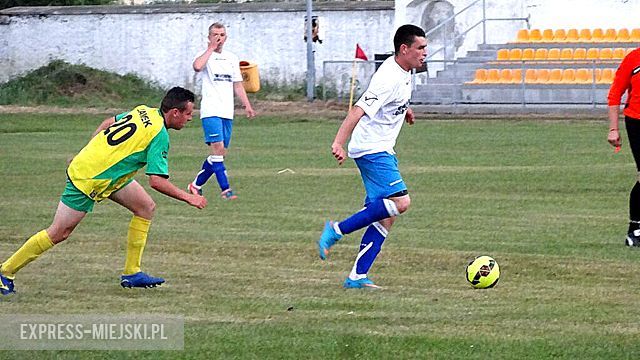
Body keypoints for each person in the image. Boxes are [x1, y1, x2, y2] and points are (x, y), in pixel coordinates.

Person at [0, 87, 207, 296]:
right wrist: (188, 197)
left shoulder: (145, 111)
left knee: (145, 207)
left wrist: (86, 153)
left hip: (109, 177)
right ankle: (5, 271)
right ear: (174, 112)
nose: (190, 118)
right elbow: (156, 181)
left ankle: (132, 273)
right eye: (189, 113)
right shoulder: (160, 135)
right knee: (59, 232)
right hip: (90, 179)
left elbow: (108, 123)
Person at [317, 24, 427, 289]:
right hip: (371, 149)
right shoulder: (387, 76)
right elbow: (357, 110)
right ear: (404, 49)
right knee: (401, 202)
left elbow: (393, 99)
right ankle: (336, 229)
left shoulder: (404, 71)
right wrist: (338, 142)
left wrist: (405, 110)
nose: (425, 53)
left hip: (381, 147)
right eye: (420, 48)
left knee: (385, 217)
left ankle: (356, 277)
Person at [188, 22, 256, 200]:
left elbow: (237, 84)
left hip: (227, 112)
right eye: (215, 34)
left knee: (219, 154)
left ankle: (196, 185)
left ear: (226, 37)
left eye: (222, 35)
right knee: (217, 149)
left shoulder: (231, 58)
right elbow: (196, 66)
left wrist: (247, 105)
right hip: (211, 110)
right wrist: (210, 49)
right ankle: (225, 190)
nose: (219, 38)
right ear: (209, 37)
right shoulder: (205, 56)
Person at [607, 47, 640, 246]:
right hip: (637, 122)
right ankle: (634, 229)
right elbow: (615, 95)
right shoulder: (633, 58)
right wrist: (613, 129)